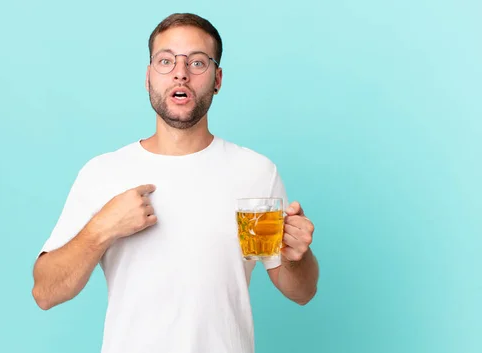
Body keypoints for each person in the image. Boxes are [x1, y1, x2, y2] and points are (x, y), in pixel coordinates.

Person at [32, 12, 319, 353]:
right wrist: (102, 228)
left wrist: (296, 257)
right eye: (166, 61)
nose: (180, 73)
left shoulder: (255, 172)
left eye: (197, 62)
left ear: (218, 79)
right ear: (148, 76)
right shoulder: (104, 173)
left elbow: (301, 292)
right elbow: (45, 293)